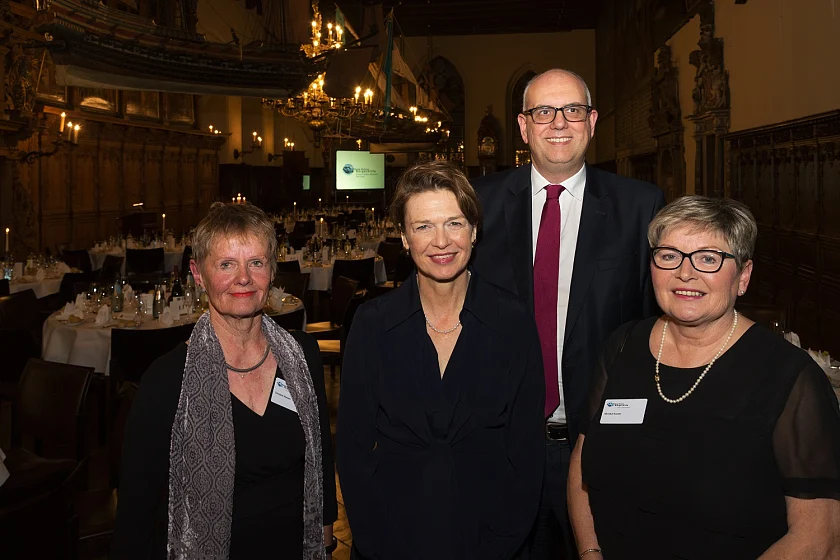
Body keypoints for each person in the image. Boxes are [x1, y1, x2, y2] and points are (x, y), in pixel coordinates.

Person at [568, 195, 840, 559]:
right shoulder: (622, 346)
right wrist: (589, 552)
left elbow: (818, 538)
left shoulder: (791, 378)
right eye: (669, 255)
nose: (685, 272)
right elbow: (581, 465)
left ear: (743, 276)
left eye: (709, 258)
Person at [471, 68, 665, 558]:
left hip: (599, 446)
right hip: (498, 445)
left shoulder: (639, 206)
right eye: (543, 111)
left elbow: (652, 326)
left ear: (592, 120)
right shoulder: (479, 205)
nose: (559, 122)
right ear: (523, 126)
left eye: (572, 109)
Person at [337, 160, 545, 560]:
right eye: (423, 226)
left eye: (454, 223)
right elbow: (354, 449)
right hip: (391, 539)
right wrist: (380, 544)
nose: (441, 241)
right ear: (403, 236)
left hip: (490, 540)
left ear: (474, 230)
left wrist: (499, 545)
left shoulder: (512, 320)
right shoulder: (373, 324)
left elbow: (525, 452)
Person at [112, 202, 337, 559]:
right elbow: (135, 513)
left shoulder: (302, 354)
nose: (244, 278)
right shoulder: (167, 380)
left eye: (256, 263)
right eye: (226, 264)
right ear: (198, 274)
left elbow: (321, 456)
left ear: (272, 270)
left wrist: (326, 538)